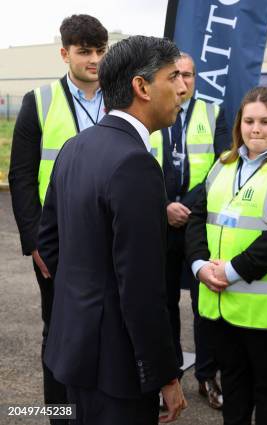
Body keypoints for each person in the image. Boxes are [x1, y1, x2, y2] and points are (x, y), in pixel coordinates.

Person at [37, 36, 188, 425]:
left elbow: (49, 245)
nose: (183, 87)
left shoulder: (74, 147)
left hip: (70, 352)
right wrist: (165, 375)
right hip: (115, 371)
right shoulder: (135, 163)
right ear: (141, 87)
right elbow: (141, 287)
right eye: (173, 77)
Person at [185, 86, 267, 425]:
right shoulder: (222, 165)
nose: (255, 129)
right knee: (234, 382)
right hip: (220, 304)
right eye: (249, 121)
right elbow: (198, 216)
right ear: (239, 125)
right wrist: (199, 265)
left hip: (264, 312)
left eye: (265, 122)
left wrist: (229, 271)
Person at [8, 14, 108, 420]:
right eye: (85, 52)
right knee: (60, 332)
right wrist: (34, 242)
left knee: (109, 329)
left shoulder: (121, 96)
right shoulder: (40, 101)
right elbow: (21, 176)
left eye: (101, 51)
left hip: (109, 235)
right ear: (65, 53)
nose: (95, 60)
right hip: (59, 241)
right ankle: (62, 414)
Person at [149, 52, 229, 409]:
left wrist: (189, 207)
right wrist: (164, 204)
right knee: (162, 304)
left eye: (190, 74)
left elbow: (224, 164)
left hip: (199, 223)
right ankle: (168, 377)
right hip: (158, 221)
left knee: (204, 304)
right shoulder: (151, 110)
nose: (184, 80)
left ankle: (207, 377)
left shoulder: (214, 112)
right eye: (176, 73)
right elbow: (136, 161)